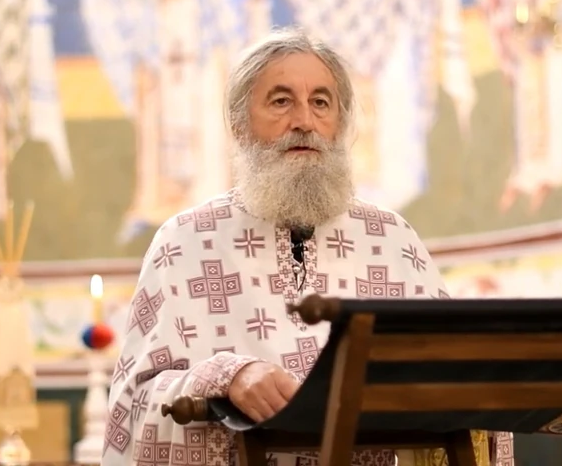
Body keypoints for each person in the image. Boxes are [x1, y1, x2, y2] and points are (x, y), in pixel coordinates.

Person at [102, 28, 511, 466]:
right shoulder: (185, 242)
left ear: (340, 123)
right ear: (239, 124)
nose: (304, 121)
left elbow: (453, 379)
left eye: (321, 102)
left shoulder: (393, 240)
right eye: (281, 101)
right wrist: (226, 376)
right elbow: (135, 407)